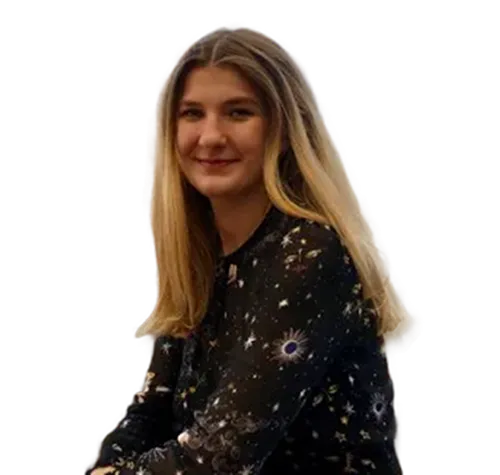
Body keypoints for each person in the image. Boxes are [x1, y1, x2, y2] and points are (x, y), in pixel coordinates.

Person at [85, 23, 420, 475]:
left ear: (284, 127)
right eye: (192, 114)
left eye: (238, 113)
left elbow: (220, 456)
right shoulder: (200, 251)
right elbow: (149, 413)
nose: (210, 136)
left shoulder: (311, 254)